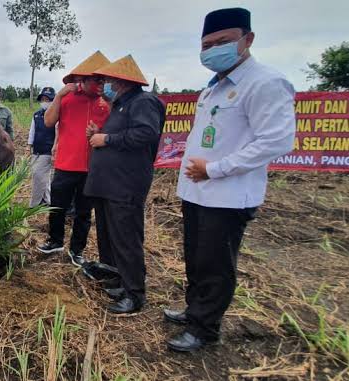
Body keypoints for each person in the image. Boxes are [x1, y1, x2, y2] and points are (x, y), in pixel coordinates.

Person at [166, 7, 296, 352]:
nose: (211, 50)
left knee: (216, 264)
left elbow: (276, 141)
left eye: (222, 42)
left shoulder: (265, 82)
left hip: (227, 195)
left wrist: (216, 168)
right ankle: (195, 311)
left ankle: (205, 329)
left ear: (247, 39)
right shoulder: (213, 89)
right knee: (195, 257)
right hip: (197, 192)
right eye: (206, 44)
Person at [83, 55, 165, 314]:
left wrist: (106, 139)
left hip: (125, 185)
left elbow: (146, 133)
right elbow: (121, 136)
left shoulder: (144, 102)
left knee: (127, 239)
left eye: (108, 80)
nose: (105, 84)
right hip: (109, 185)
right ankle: (119, 281)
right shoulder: (121, 104)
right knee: (111, 237)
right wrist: (99, 134)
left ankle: (135, 294)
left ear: (122, 81)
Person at [37, 51, 111, 267]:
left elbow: (111, 133)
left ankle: (77, 250)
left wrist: (100, 130)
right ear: (83, 79)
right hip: (65, 165)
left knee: (84, 213)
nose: (100, 84)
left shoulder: (105, 104)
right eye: (97, 80)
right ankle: (55, 241)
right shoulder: (67, 99)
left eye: (103, 80)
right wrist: (58, 96)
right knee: (57, 207)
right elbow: (49, 122)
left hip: (92, 167)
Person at [27, 87, 57, 207]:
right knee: (43, 176)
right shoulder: (37, 115)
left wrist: (55, 149)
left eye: (48, 99)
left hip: (48, 151)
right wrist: (29, 145)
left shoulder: (56, 115)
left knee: (38, 174)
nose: (45, 101)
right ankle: (48, 200)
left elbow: (58, 133)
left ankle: (34, 204)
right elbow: (32, 131)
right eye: (43, 99)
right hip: (37, 150)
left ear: (53, 100)